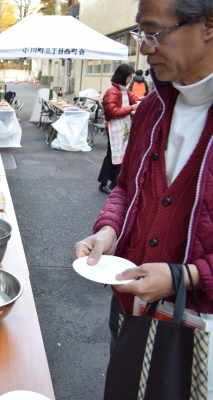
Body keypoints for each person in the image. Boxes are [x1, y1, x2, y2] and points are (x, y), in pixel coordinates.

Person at [75, 0, 213, 386]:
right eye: (141, 34)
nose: (144, 47)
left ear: (208, 26)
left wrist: (184, 276)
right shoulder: (152, 107)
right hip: (129, 304)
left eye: (153, 32)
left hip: (200, 322)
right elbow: (126, 187)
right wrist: (108, 231)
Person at [97, 63, 139, 194]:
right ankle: (104, 184)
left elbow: (135, 99)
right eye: (129, 76)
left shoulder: (122, 90)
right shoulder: (112, 91)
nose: (130, 79)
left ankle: (115, 182)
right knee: (112, 155)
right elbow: (113, 111)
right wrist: (131, 108)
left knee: (120, 155)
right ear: (123, 76)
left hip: (122, 128)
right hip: (114, 129)